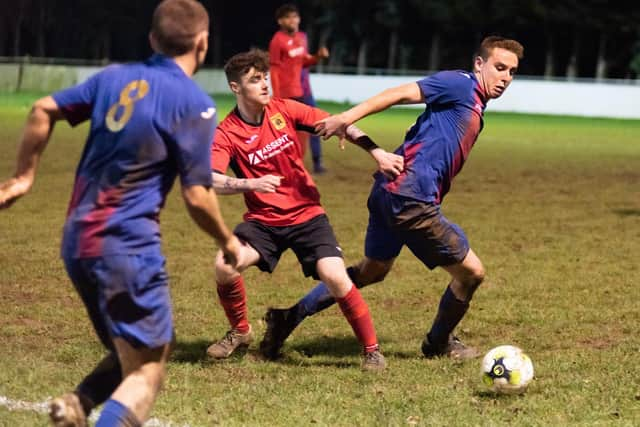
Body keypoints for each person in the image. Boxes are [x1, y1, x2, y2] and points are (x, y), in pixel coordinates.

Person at [0, 1, 242, 426]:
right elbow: (198, 197)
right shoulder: (195, 103)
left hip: (77, 244)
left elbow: (42, 109)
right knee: (148, 368)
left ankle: (79, 403)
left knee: (133, 348)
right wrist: (227, 240)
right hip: (126, 248)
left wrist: (23, 178)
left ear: (152, 39)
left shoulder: (113, 77)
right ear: (203, 44)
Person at [260, 36, 524, 361]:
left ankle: (287, 318)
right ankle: (438, 344)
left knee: (372, 271)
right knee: (471, 273)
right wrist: (347, 118)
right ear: (479, 63)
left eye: (511, 71)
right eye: (500, 67)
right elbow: (397, 94)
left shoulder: (472, 100)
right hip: (410, 200)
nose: (505, 78)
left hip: (389, 191)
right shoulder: (459, 85)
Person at [205, 49, 404, 371]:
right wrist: (249, 184)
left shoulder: (285, 110)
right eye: (255, 80)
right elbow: (211, 180)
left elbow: (341, 124)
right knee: (225, 265)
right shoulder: (227, 132)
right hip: (263, 222)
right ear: (235, 88)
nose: (265, 84)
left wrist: (377, 151)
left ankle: (371, 350)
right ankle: (240, 331)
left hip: (307, 215)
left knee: (336, 276)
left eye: (265, 77)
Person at [269, 3, 329, 174]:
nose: (293, 20)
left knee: (310, 128)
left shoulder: (302, 37)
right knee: (283, 131)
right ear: (280, 21)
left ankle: (302, 165)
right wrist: (277, 97)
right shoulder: (277, 40)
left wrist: (318, 56)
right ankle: (281, 165)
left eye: (295, 16)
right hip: (286, 94)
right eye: (288, 17)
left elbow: (304, 61)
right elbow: (274, 70)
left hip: (301, 91)